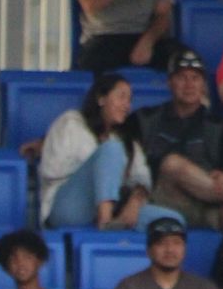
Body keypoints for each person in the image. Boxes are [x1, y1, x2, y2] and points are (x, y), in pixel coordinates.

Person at [39, 73, 177, 230]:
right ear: (101, 98)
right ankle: (105, 223)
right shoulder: (71, 122)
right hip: (68, 207)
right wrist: (100, 169)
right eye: (121, 97)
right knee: (111, 149)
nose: (127, 105)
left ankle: (111, 222)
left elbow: (142, 177)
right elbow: (50, 171)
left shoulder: (124, 138)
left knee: (171, 221)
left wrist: (135, 202)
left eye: (129, 100)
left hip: (117, 205)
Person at [134, 49, 223, 229]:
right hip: (161, 201)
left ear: (204, 85)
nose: (189, 84)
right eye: (182, 77)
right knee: (172, 163)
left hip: (205, 205)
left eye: (195, 78)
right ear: (170, 82)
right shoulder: (144, 118)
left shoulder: (221, 125)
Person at [114, 216, 223, 289]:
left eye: (177, 243)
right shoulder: (129, 288)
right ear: (148, 251)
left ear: (184, 249)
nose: (170, 249)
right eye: (161, 243)